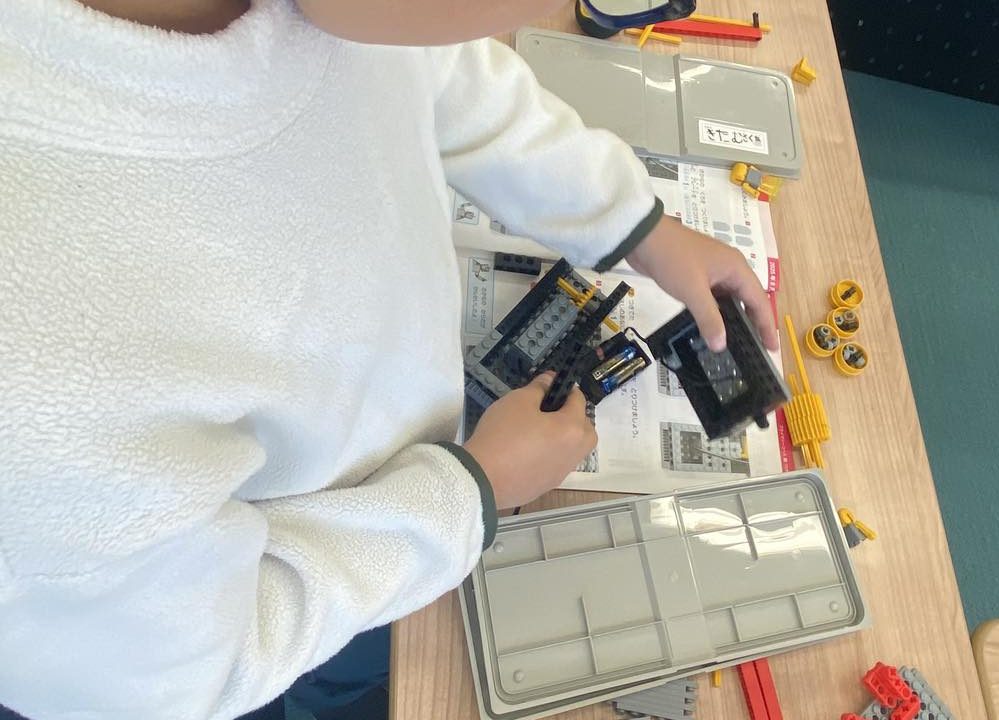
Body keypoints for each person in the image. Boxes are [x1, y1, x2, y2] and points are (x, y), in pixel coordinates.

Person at [0, 0, 777, 718]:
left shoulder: (374, 14)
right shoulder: (35, 368)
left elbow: (437, 64)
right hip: (326, 586)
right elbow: (180, 678)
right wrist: (468, 493)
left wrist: (633, 221)